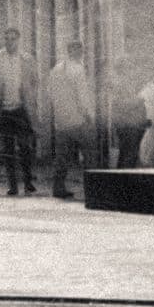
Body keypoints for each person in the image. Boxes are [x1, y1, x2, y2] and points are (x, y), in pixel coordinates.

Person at [0, 28, 36, 196]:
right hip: (3, 109)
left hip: (21, 108)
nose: (9, 42)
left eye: (13, 39)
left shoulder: (27, 59)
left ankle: (28, 181)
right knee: (8, 149)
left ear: (18, 40)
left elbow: (35, 80)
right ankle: (12, 185)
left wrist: (30, 97)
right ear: (3, 40)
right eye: (7, 39)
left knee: (25, 146)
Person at [47, 40, 93, 199]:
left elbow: (50, 94)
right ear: (77, 52)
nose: (80, 53)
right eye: (79, 51)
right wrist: (88, 114)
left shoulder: (56, 69)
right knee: (89, 153)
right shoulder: (78, 69)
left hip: (61, 120)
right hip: (77, 119)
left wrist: (57, 114)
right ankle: (92, 188)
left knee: (62, 156)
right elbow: (82, 96)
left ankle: (58, 188)